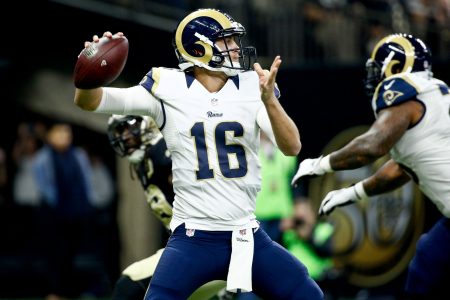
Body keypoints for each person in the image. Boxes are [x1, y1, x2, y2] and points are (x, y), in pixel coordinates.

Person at [74, 8, 323, 300]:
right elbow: (91, 102)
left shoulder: (252, 87)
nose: (235, 48)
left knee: (309, 295)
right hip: (192, 238)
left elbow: (292, 145)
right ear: (198, 49)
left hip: (246, 235)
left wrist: (270, 101)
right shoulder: (166, 86)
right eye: (226, 41)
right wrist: (89, 69)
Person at [291, 33, 450, 299]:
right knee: (426, 261)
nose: (374, 76)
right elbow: (401, 168)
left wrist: (320, 164)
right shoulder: (434, 91)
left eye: (378, 68)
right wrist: (352, 193)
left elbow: (371, 147)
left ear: (395, 67)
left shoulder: (402, 88)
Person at [107, 114, 230, 299]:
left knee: (129, 285)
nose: (125, 137)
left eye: (128, 128)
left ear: (146, 121)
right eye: (120, 132)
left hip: (205, 247)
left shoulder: (164, 149)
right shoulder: (145, 162)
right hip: (198, 250)